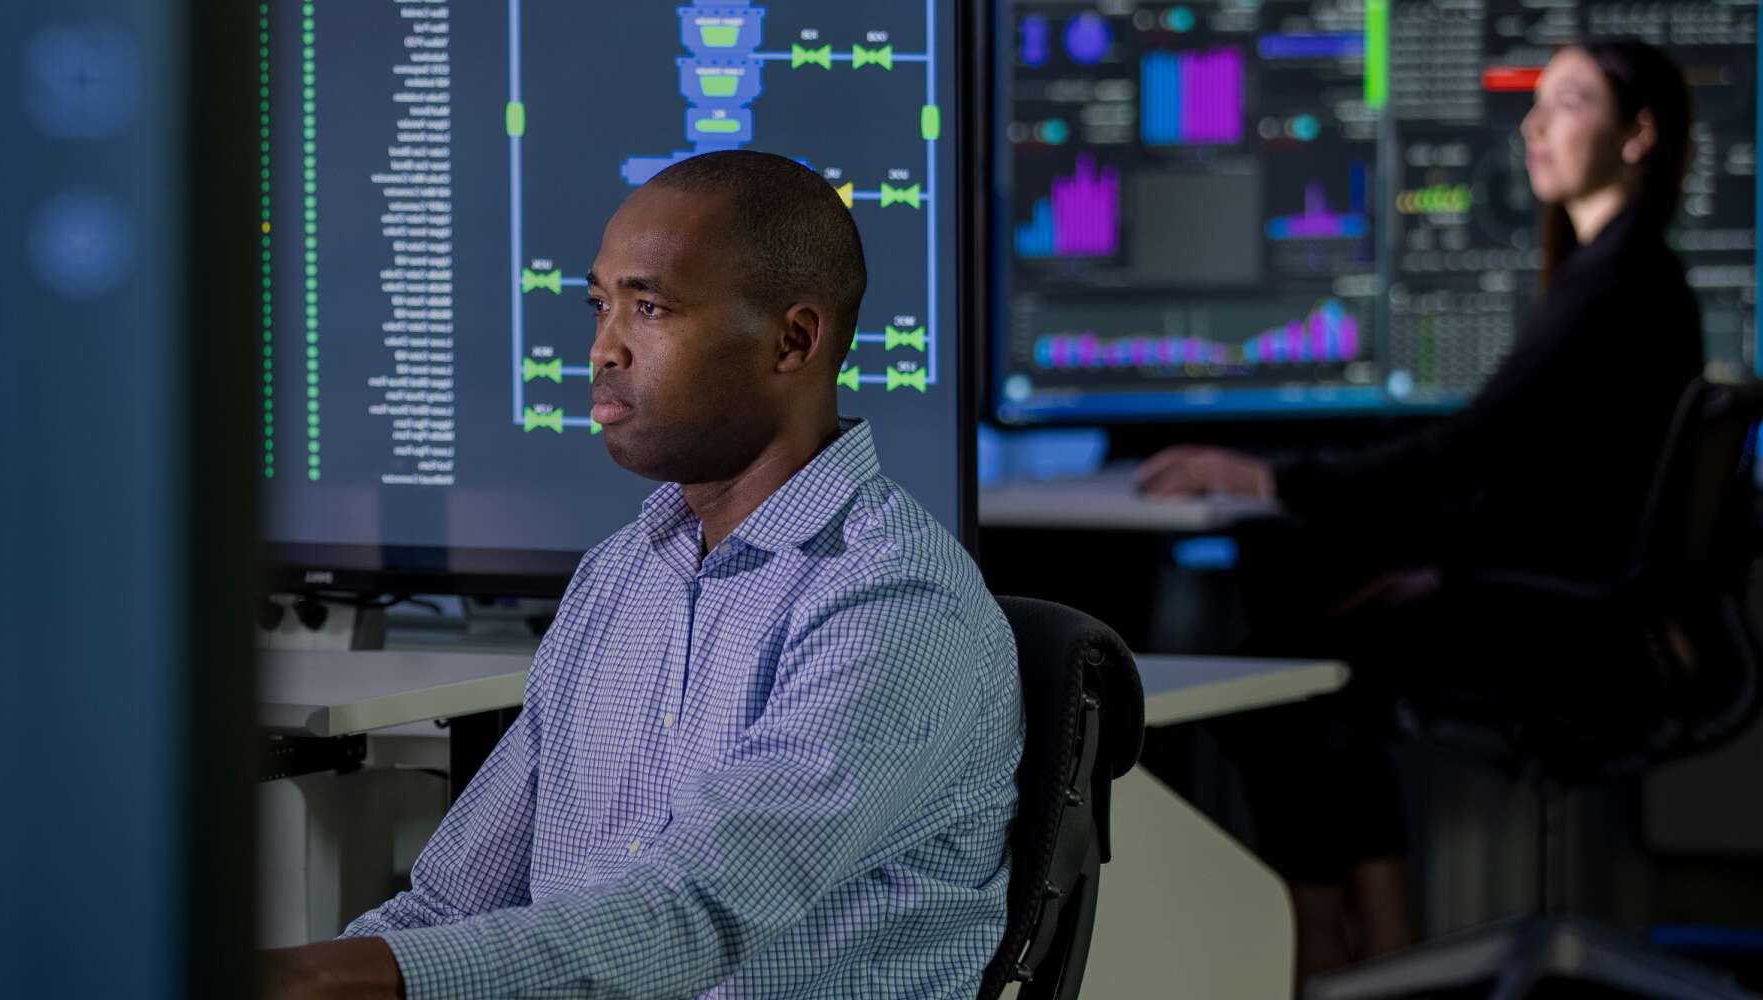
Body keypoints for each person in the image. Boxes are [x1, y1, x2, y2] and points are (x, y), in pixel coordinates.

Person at [261, 151, 1024, 999]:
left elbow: (691, 916)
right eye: (600, 305)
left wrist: (332, 977)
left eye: (649, 308)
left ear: (793, 340)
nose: (603, 348)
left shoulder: (894, 604)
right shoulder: (623, 574)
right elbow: (448, 906)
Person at [1134, 38, 1701, 978]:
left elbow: (1472, 449)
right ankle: (1370, 928)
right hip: (1573, 595)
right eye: (1538, 104)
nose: (1536, 125)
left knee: (1281, 661)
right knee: (1297, 617)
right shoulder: (1628, 274)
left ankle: (1338, 940)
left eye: (1569, 103)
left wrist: (1268, 480)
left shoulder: (1617, 284)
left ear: (1636, 135)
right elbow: (1547, 480)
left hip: (1569, 622)